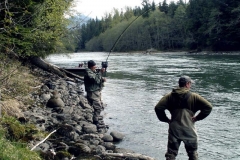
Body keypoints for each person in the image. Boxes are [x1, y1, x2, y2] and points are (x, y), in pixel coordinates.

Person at [154, 75, 212, 160]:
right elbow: (208, 107)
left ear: (179, 84)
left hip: (174, 128)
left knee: (171, 154)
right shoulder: (194, 96)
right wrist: (197, 118)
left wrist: (165, 119)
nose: (190, 85)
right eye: (190, 83)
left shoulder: (169, 96)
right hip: (189, 129)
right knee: (192, 154)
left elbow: (158, 108)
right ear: (187, 84)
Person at [84, 60, 106, 125]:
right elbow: (94, 80)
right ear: (91, 66)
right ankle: (95, 121)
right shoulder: (88, 72)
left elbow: (97, 78)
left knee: (96, 106)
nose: (96, 67)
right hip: (92, 93)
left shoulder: (92, 71)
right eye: (95, 66)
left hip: (95, 92)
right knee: (98, 107)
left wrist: (102, 80)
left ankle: (95, 118)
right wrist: (100, 73)